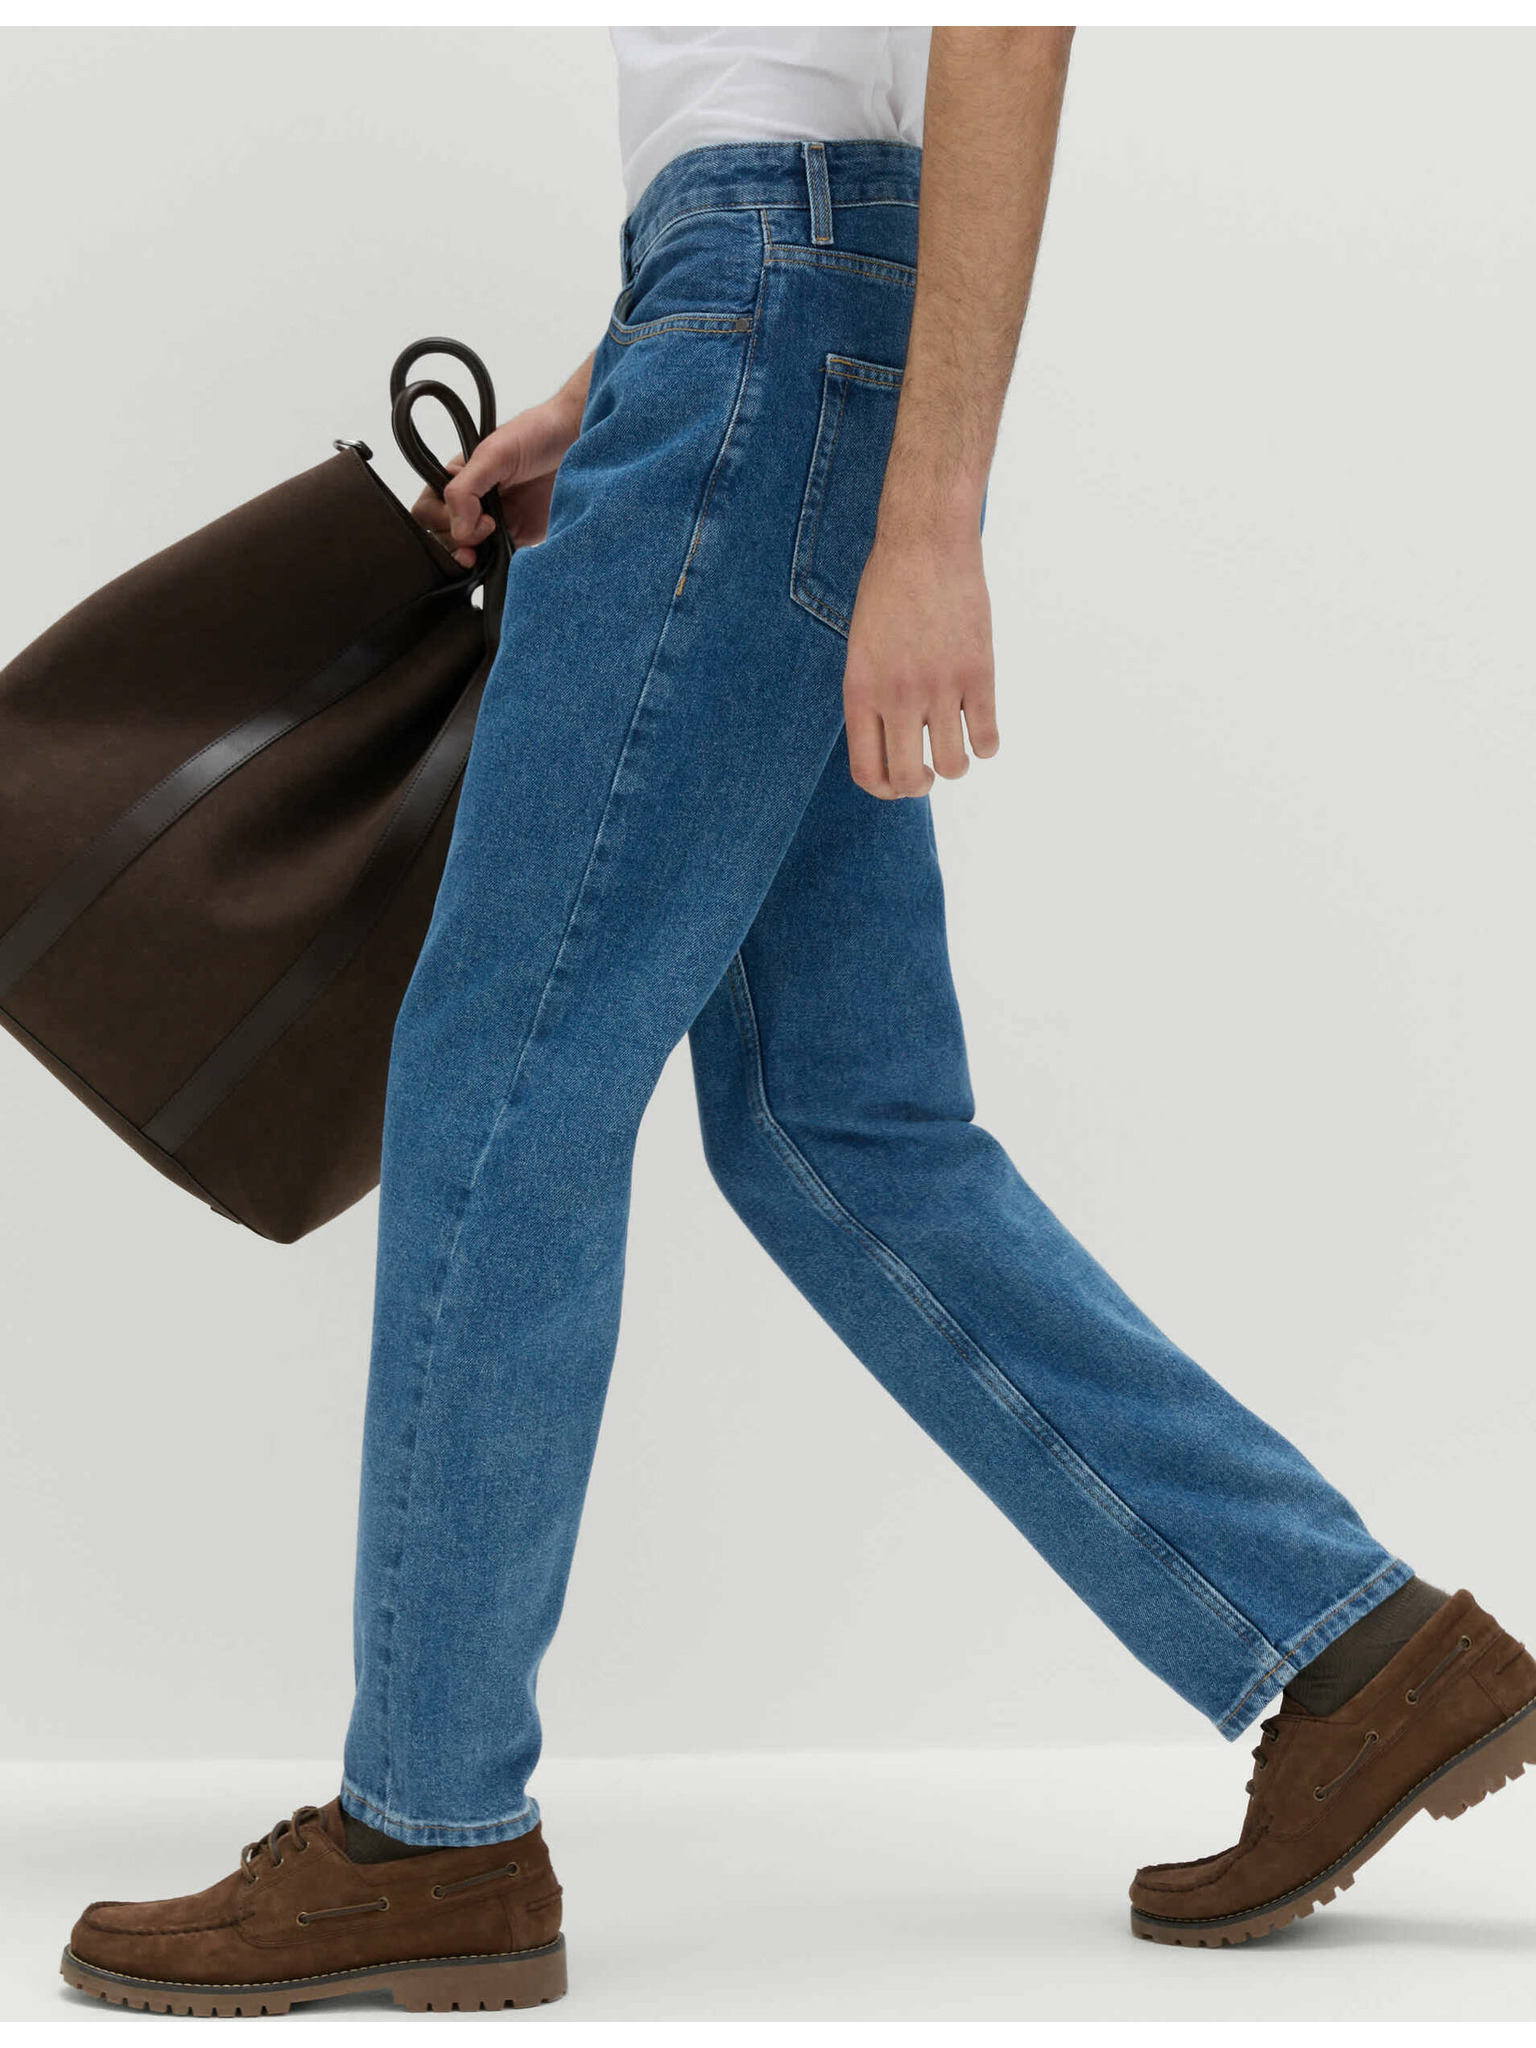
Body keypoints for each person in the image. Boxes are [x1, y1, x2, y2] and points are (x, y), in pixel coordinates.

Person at [61, 26, 1533, 2015]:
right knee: (844, 1125)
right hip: (751, 325)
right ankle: (1359, 1655)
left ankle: (429, 1827)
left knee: (505, 1071)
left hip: (772, 335)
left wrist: (928, 522)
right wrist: (616, 373)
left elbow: (998, 32)